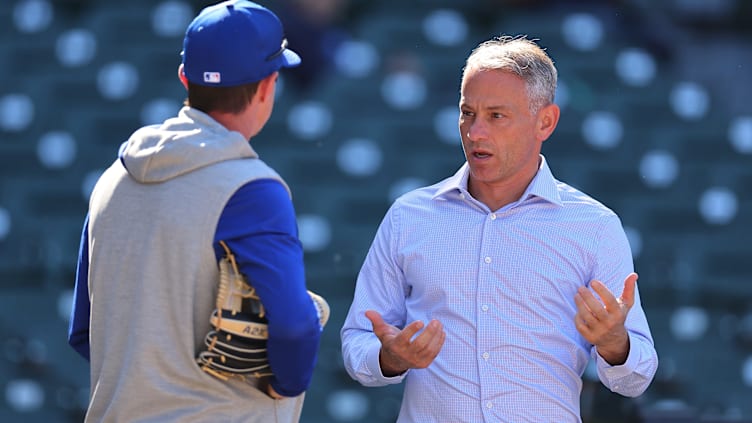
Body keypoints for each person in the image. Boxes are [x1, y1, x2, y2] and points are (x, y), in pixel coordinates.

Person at [340, 35, 658, 422]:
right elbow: (358, 341)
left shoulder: (594, 228)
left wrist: (614, 343)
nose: (475, 133)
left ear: (545, 121)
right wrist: (388, 358)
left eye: (496, 116)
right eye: (467, 113)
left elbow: (636, 377)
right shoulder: (409, 217)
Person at [67, 1, 323, 422]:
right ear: (267, 85)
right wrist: (283, 383)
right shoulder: (252, 189)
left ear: (185, 77)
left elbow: (85, 332)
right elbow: (295, 328)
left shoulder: (112, 180)